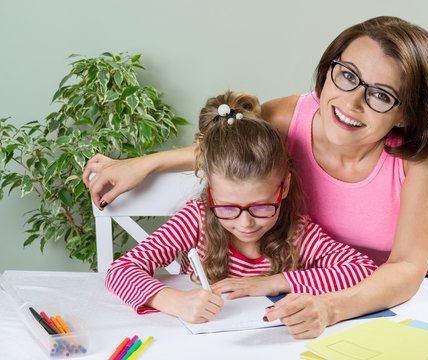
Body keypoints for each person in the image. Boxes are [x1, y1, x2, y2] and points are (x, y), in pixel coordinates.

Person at [87, 16, 428, 338]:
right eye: (346, 75)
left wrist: (309, 298)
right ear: (329, 68)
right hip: (326, 277)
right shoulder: (284, 118)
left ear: (406, 112)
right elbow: (236, 149)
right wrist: (148, 163)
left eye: (381, 95)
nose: (352, 102)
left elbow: (404, 270)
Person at [105, 91, 377, 324]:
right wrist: (176, 303)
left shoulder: (297, 231)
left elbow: (362, 270)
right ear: (210, 191)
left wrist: (273, 282)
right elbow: (120, 271)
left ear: (283, 187)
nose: (245, 224)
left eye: (261, 207)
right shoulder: (196, 219)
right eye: (227, 208)